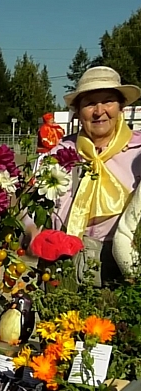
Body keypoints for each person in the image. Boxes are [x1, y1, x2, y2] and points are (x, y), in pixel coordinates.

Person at [35, 66, 141, 285]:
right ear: (78, 111)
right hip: (63, 269)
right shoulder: (58, 154)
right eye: (90, 103)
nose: (99, 110)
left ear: (121, 107)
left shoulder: (138, 152)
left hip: (124, 270)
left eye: (108, 101)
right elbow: (30, 212)